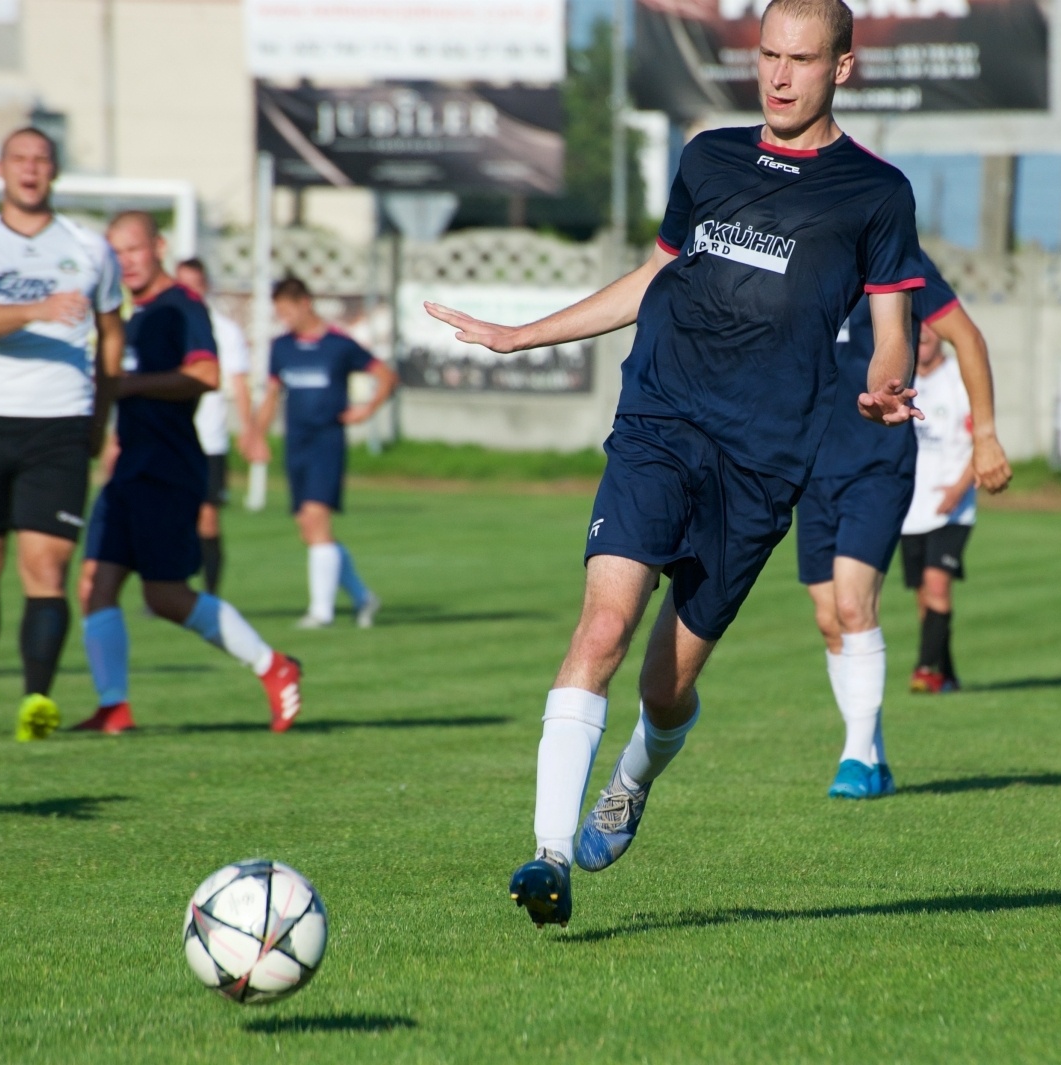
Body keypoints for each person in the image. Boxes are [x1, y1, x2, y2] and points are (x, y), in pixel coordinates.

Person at [426, 0, 924, 928]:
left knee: (666, 685)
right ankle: (546, 854)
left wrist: (886, 384)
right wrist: (524, 334)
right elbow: (656, 273)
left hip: (763, 465)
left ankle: (633, 777)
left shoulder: (876, 194)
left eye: (801, 60)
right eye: (768, 55)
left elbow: (894, 331)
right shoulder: (707, 157)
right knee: (602, 628)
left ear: (842, 70)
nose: (778, 76)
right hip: (660, 423)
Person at [73, 213, 303, 735]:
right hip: (129, 467)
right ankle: (114, 706)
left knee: (165, 595)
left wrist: (125, 386)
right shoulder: (133, 315)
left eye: (133, 250)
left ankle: (273, 665)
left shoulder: (182, 305)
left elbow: (205, 374)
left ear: (159, 247)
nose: (125, 262)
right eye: (116, 253)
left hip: (167, 468)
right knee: (94, 584)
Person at [797, 250, 1010, 799]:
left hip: (878, 462)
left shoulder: (897, 258)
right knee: (828, 619)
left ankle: (852, 758)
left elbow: (968, 338)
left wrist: (985, 436)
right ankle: (875, 757)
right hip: (810, 465)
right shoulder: (801, 250)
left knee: (852, 605)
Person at [0, 127, 124, 742]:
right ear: (0, 168)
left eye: (42, 160)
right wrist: (38, 309)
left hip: (59, 423)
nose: (30, 170)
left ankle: (37, 700)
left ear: (54, 171)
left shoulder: (88, 245)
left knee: (46, 567)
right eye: (20, 160)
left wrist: (100, 419)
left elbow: (112, 334)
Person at [246, 276, 395, 629]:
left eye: (286, 310)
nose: (283, 318)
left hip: (326, 443)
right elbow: (271, 394)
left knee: (317, 520)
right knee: (308, 529)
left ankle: (321, 612)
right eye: (278, 311)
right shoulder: (281, 347)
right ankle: (363, 598)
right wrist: (256, 434)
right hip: (295, 444)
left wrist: (367, 409)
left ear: (305, 304)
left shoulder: (339, 346)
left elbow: (385, 376)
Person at [900, 314, 984, 693]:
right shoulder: (903, 381)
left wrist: (958, 488)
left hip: (953, 507)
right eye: (919, 326)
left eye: (932, 327)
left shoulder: (959, 381)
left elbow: (982, 442)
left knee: (937, 586)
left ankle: (924, 670)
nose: (925, 334)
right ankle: (947, 674)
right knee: (924, 598)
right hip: (908, 509)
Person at [176, 258, 253, 595]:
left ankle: (210, 594)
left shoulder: (223, 330)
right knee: (170, 516)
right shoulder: (163, 321)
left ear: (204, 286)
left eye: (194, 283)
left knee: (208, 518)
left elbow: (238, 384)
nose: (189, 290)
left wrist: (249, 430)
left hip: (209, 440)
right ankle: (169, 589)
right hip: (169, 436)